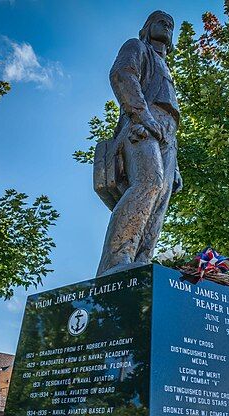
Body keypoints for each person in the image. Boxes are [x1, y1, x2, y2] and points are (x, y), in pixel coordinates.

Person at [95, 10, 182, 277]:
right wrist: (142, 116)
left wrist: (175, 163)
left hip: (169, 133)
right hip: (142, 125)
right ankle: (116, 263)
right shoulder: (136, 47)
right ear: (147, 27)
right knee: (148, 184)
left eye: (170, 24)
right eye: (160, 21)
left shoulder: (165, 66)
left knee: (160, 200)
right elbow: (123, 75)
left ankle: (141, 262)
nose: (167, 25)